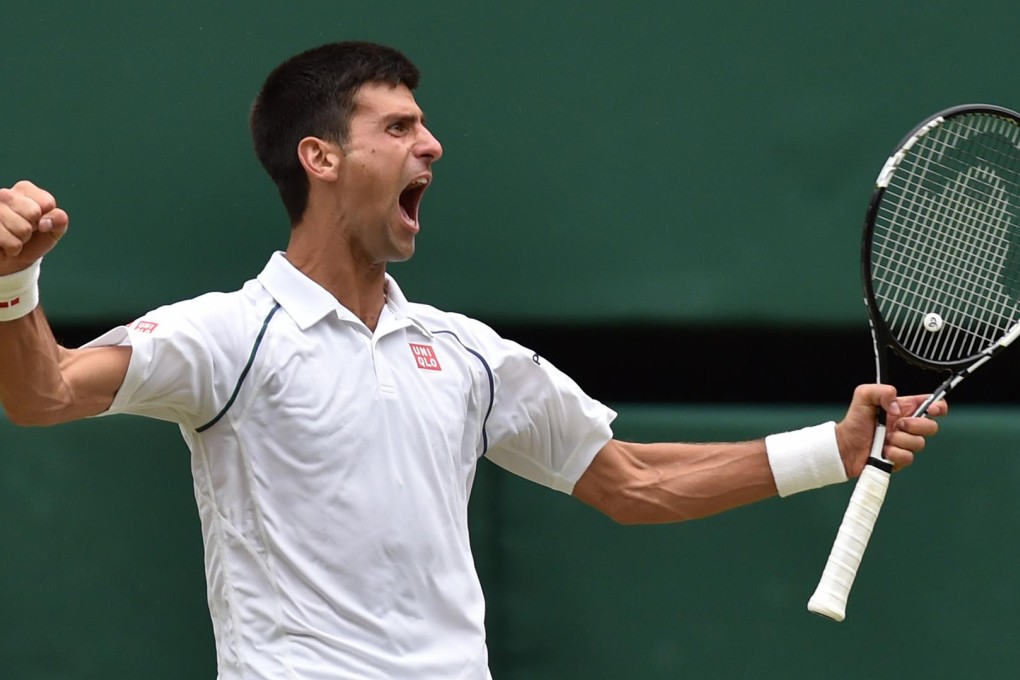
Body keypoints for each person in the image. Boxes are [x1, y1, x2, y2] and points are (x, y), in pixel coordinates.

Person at [0, 41, 946, 680]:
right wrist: (13, 286)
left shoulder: (469, 358)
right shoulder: (224, 337)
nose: (433, 144)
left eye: (425, 125)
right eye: (400, 128)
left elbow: (631, 482)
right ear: (320, 158)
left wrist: (837, 447)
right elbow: (42, 394)